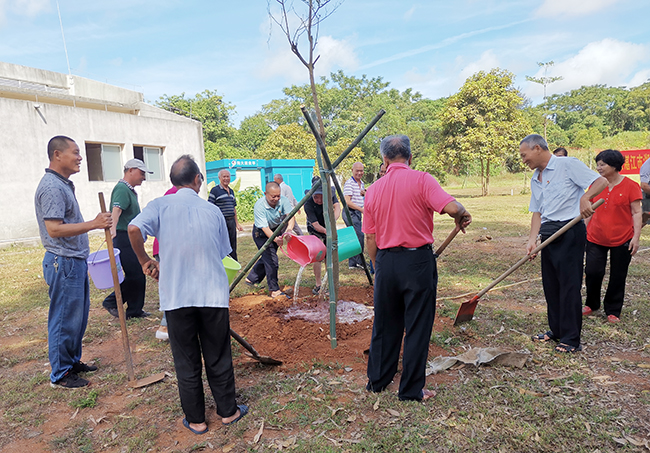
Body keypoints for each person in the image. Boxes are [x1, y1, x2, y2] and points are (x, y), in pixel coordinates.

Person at [128, 155, 247, 435]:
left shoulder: (159, 205)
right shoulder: (212, 210)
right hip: (212, 295)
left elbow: (133, 228)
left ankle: (196, 420)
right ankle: (228, 412)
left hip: (177, 296)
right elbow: (222, 252)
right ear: (197, 180)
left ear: (173, 181)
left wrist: (146, 260)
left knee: (186, 359)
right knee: (218, 354)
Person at [363, 135, 472, 402]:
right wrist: (461, 213)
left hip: (386, 262)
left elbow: (370, 238)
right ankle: (411, 390)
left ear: (385, 160)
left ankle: (377, 381)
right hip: (418, 262)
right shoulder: (423, 179)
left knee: (385, 324)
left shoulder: (373, 189)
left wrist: (378, 269)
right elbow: (451, 207)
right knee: (417, 326)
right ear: (410, 158)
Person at [35, 135, 113, 388]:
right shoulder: (52, 187)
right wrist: (94, 223)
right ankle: (60, 374)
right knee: (64, 318)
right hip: (63, 262)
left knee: (76, 318)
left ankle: (71, 361)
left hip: (74, 261)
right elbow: (54, 229)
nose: (80, 157)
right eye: (75, 152)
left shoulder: (63, 184)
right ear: (57, 155)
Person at [521, 134, 607, 353]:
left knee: (569, 285)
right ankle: (557, 330)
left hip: (570, 229)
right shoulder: (535, 177)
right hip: (548, 232)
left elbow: (601, 182)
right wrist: (532, 240)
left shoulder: (567, 165)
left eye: (524, 155)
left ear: (538, 148)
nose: (523, 160)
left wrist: (585, 198)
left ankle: (571, 338)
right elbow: (537, 212)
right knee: (551, 285)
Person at [583, 150, 642, 323]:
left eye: (603, 164)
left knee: (618, 274)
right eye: (598, 164)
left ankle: (613, 310)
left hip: (622, 238)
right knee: (592, 271)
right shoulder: (595, 185)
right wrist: (584, 231)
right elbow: (589, 210)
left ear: (615, 166)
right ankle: (591, 304)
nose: (599, 168)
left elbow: (637, 213)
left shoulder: (631, 186)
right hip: (595, 236)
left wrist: (636, 237)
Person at [102, 158, 152, 319]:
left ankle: (135, 310)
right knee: (135, 274)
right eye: (141, 173)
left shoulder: (129, 190)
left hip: (131, 237)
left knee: (139, 274)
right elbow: (116, 211)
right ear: (130, 170)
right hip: (123, 237)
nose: (143, 177)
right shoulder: (122, 189)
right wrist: (113, 231)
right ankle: (111, 302)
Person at [245, 182, 295, 298]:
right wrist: (275, 239)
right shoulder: (259, 206)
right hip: (261, 233)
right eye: (273, 196)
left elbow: (290, 216)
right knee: (272, 260)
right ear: (265, 194)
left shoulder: (283, 200)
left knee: (267, 256)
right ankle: (274, 290)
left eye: (278, 196)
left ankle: (251, 279)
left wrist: (289, 229)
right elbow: (265, 228)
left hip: (276, 229)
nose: (276, 199)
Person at [304, 179, 341, 294]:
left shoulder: (331, 194)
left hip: (328, 224)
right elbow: (315, 225)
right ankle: (318, 283)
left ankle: (330, 281)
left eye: (321, 197)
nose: (319, 200)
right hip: (316, 229)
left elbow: (337, 208)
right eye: (316, 197)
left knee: (329, 255)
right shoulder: (308, 203)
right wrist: (326, 231)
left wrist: (332, 222)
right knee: (318, 255)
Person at [152, 186, 179, 341]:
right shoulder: (177, 194)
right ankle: (164, 326)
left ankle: (170, 325)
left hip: (165, 246)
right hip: (168, 247)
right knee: (172, 286)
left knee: (171, 286)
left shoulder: (173, 193)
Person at [208, 170, 243, 260]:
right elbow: (210, 207)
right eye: (224, 176)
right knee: (223, 243)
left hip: (231, 221)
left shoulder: (231, 191)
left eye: (228, 176)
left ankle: (234, 262)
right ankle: (224, 263)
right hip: (221, 221)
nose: (226, 178)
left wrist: (237, 223)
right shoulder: (215, 190)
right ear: (219, 178)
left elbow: (233, 208)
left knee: (233, 243)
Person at [343, 162, 367, 269]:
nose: (359, 173)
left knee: (353, 237)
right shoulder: (349, 183)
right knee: (359, 235)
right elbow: (347, 202)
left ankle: (352, 264)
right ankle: (359, 262)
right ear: (352, 170)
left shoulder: (361, 183)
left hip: (357, 212)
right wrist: (361, 209)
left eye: (361, 170)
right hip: (350, 212)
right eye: (357, 170)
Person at [639, 158, 650, 226]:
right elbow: (644, 186)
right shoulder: (647, 166)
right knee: (645, 219)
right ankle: (630, 233)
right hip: (648, 195)